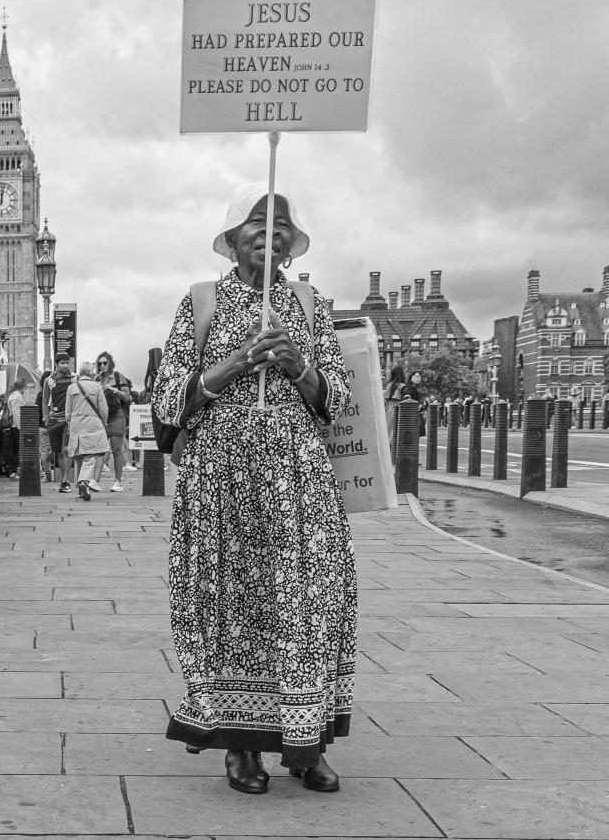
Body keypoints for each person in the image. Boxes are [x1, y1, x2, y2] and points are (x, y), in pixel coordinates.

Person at [152, 183, 355, 795]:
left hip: (298, 479)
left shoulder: (311, 304)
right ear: (232, 237)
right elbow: (169, 398)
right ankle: (241, 747)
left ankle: (305, 743)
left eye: (281, 225)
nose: (270, 233)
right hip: (221, 479)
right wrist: (239, 361)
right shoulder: (202, 301)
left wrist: (298, 366)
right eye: (257, 223)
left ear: (292, 244)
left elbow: (339, 398)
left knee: (309, 601)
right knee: (234, 606)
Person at [65, 361, 110, 501]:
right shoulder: (96, 387)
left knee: (79, 457)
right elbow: (104, 410)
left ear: (80, 372)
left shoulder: (71, 388)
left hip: (76, 424)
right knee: (91, 455)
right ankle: (84, 481)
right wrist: (104, 423)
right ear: (91, 372)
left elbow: (67, 411)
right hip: (92, 423)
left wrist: (70, 424)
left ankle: (80, 490)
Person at [94, 351, 131, 492]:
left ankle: (118, 482)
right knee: (99, 450)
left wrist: (113, 389)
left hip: (116, 415)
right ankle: (95, 481)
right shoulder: (96, 379)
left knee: (116, 449)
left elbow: (126, 397)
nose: (102, 366)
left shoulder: (117, 376)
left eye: (105, 363)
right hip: (100, 416)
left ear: (110, 363)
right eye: (100, 363)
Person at [44, 353, 74, 493]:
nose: (65, 365)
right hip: (54, 419)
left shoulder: (74, 378)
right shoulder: (49, 380)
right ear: (56, 364)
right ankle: (64, 479)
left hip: (68, 420)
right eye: (62, 363)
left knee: (66, 449)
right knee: (59, 453)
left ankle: (66, 480)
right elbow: (45, 401)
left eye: (67, 362)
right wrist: (46, 419)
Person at [5, 377, 26, 478]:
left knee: (16, 448)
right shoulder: (17, 396)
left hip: (14, 426)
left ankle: (13, 470)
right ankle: (14, 470)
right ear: (22, 386)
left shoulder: (12, 395)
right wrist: (21, 427)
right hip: (17, 426)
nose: (26, 388)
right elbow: (17, 413)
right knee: (20, 448)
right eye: (25, 386)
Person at [384, 364, 406, 456]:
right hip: (398, 407)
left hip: (388, 408)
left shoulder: (389, 385)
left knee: (388, 430)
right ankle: (394, 453)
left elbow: (385, 398)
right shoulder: (402, 386)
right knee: (396, 431)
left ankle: (388, 453)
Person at [37, 370, 53, 482]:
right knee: (56, 449)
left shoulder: (40, 394)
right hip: (54, 424)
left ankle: (48, 474)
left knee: (44, 451)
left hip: (42, 426)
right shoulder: (53, 393)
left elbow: (37, 412)